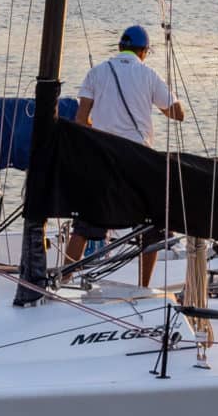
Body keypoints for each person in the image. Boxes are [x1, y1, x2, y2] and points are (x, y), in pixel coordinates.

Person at [75, 26, 186, 286]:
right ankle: (143, 286)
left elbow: (81, 120)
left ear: (119, 48)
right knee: (150, 227)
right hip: (140, 161)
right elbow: (177, 113)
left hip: (104, 158)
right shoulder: (148, 74)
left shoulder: (96, 72)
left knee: (85, 224)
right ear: (143, 51)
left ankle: (65, 278)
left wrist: (99, 128)